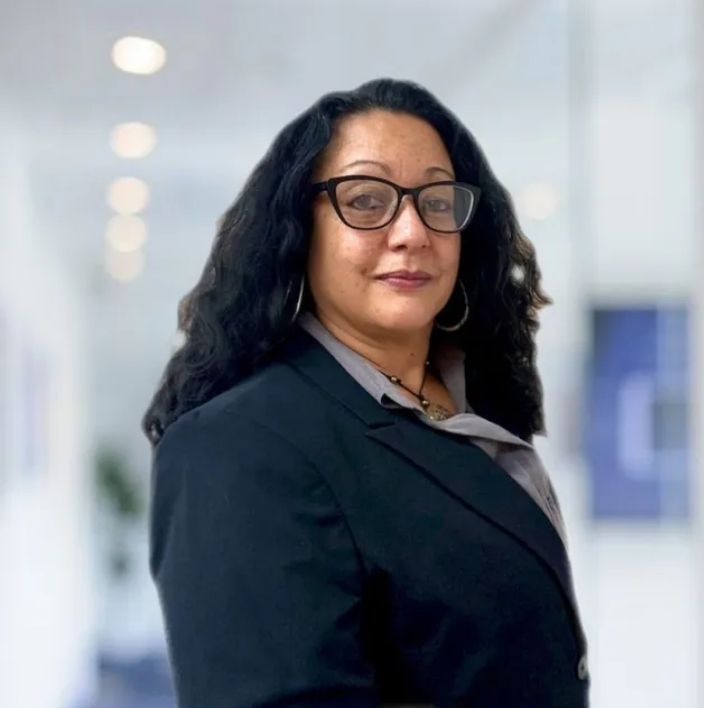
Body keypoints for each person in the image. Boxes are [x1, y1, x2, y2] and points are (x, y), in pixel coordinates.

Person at [143, 77, 590, 708]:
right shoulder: (236, 447)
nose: (412, 232)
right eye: (365, 198)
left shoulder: (468, 406)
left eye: (437, 201)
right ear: (301, 228)